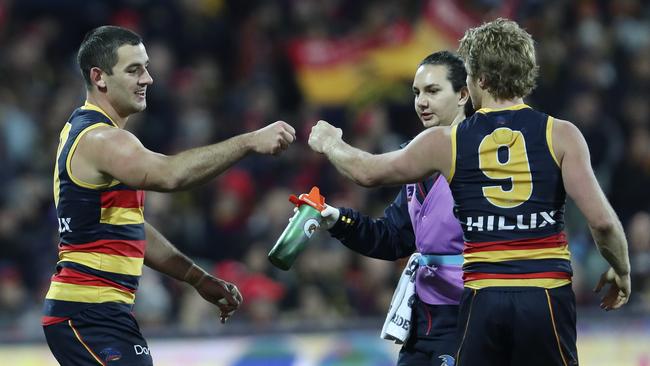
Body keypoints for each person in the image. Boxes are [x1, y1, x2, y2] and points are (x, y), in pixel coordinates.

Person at [308, 18, 630, 366]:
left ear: (478, 79)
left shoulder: (448, 142)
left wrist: (330, 143)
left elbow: (366, 172)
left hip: (482, 296)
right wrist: (621, 270)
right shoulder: (561, 134)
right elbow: (603, 224)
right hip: (545, 295)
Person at [43, 25, 295, 366]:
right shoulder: (100, 139)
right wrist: (249, 141)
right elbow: (171, 175)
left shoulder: (89, 133)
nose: (147, 79)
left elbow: (132, 229)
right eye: (133, 70)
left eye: (146, 67)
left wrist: (197, 278)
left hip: (97, 313)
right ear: (99, 77)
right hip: (87, 313)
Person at [320, 51, 470, 366]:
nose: (421, 102)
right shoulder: (414, 161)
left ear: (463, 94)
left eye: (432, 91)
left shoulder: (481, 156)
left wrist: (330, 143)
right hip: (423, 320)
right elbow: (393, 239)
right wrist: (337, 220)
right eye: (417, 93)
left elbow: (366, 172)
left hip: (470, 316)